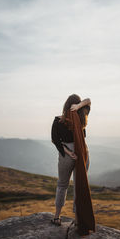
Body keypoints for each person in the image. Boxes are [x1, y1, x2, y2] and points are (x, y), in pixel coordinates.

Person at [51, 94, 91, 226]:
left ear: (66, 105)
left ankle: (57, 217)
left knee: (62, 185)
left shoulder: (58, 121)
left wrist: (68, 152)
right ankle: (78, 220)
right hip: (83, 152)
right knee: (79, 186)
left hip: (67, 155)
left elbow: (56, 141)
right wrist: (79, 106)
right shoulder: (82, 117)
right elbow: (89, 101)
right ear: (76, 105)